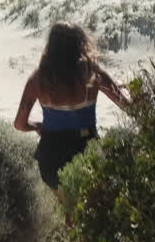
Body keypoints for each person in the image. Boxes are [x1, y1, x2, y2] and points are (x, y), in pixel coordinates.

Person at [13, 23, 130, 193]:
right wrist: (125, 88)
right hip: (85, 152)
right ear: (81, 44)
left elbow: (19, 124)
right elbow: (127, 105)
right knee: (87, 208)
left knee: (67, 207)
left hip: (51, 159)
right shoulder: (92, 74)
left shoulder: (38, 78)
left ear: (51, 46)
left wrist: (38, 126)